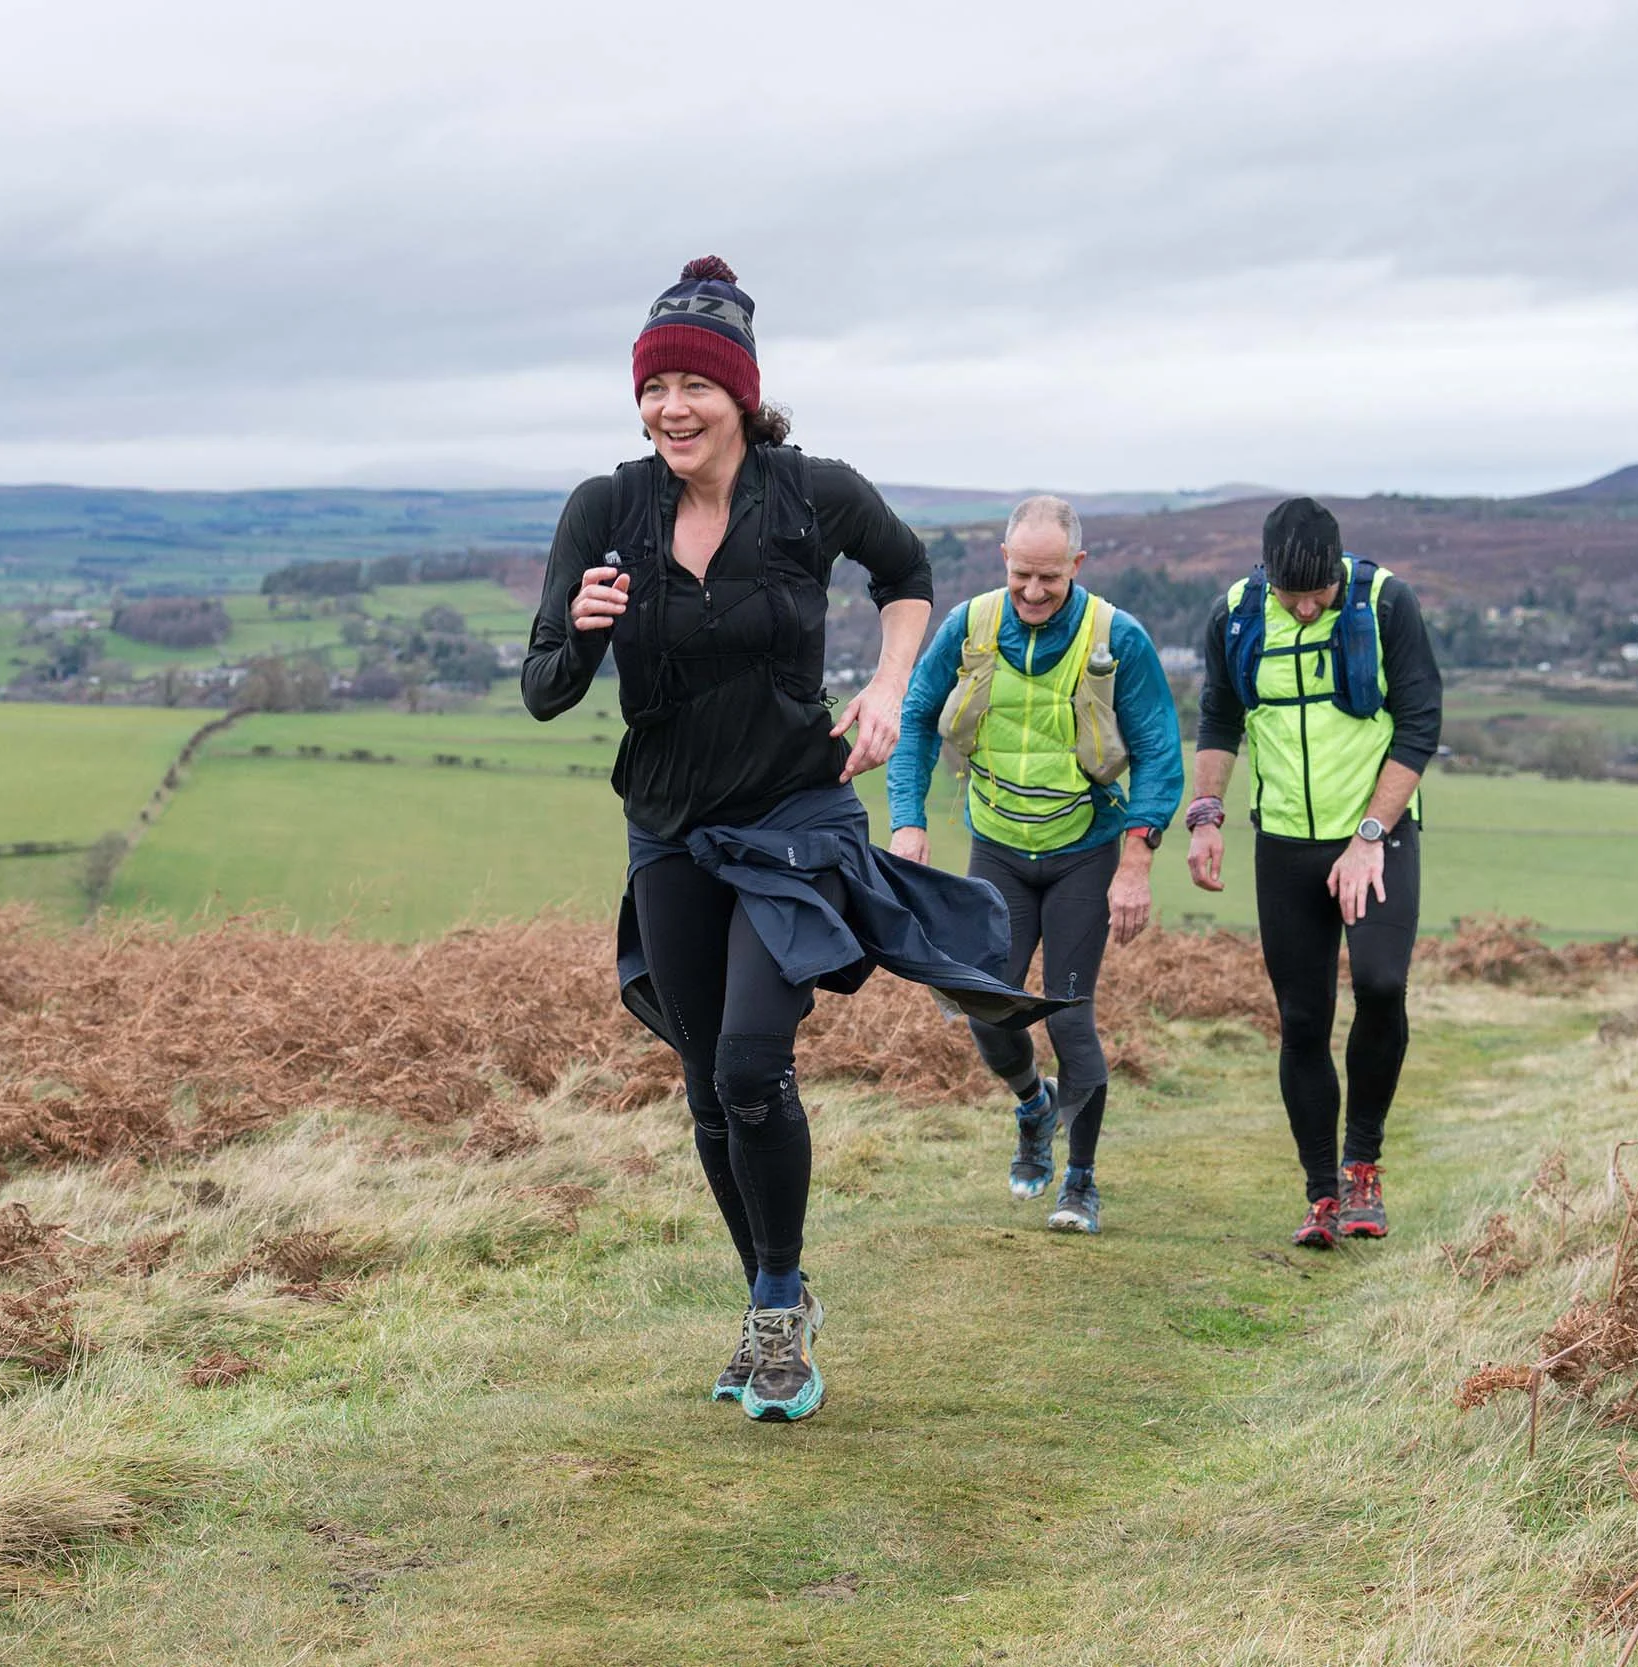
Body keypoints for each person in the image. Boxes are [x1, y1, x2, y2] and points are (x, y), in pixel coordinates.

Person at [522, 257, 1056, 1423]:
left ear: (741, 395)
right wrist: (576, 627)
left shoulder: (810, 491)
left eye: (693, 385)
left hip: (794, 816)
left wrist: (886, 684)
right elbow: (545, 690)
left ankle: (773, 1309)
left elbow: (907, 572)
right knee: (709, 1086)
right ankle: (777, 1293)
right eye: (653, 384)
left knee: (756, 1062)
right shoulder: (605, 509)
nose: (671, 406)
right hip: (668, 827)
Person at [886, 497, 1184, 1234]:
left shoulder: (1119, 638)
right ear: (1004, 560)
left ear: (1077, 566)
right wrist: (908, 823)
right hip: (997, 846)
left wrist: (1137, 860)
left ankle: (1079, 1181)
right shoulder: (971, 626)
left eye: (1050, 577)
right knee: (984, 1000)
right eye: (1023, 574)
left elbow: (1158, 753)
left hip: (1085, 849)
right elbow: (918, 716)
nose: (1034, 591)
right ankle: (1032, 1103)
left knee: (1070, 1016)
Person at [1185, 496, 1443, 1249]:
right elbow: (1219, 713)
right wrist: (1206, 814)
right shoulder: (1234, 615)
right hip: (1286, 844)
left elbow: (1422, 722)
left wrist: (1370, 832)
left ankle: (1364, 1164)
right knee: (1301, 1019)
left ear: (1338, 569)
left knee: (1382, 985)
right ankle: (1322, 1193)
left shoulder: (1387, 602)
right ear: (1266, 576)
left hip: (1378, 834)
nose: (1304, 608)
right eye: (1289, 595)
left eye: (1318, 594)